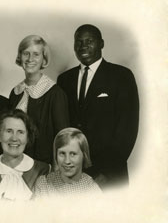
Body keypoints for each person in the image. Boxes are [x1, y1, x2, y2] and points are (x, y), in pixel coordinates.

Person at [57, 24, 139, 188]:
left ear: (101, 43)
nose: (83, 46)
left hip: (109, 175)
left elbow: (127, 130)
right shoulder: (65, 79)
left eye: (89, 41)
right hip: (73, 173)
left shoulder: (121, 76)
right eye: (78, 42)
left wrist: (107, 173)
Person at [9, 35, 69, 165]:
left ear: (44, 59)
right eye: (26, 53)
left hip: (43, 166)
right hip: (16, 163)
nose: (30, 59)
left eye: (36, 54)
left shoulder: (55, 93)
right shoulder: (16, 92)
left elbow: (62, 139)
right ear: (20, 56)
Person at [0, 109, 50, 201]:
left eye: (20, 132)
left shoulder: (44, 171)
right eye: (9, 131)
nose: (14, 138)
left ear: (27, 138)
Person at [34, 128, 101, 198]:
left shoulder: (92, 189)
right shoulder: (44, 184)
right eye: (62, 153)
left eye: (73, 154)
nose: (67, 161)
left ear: (84, 156)